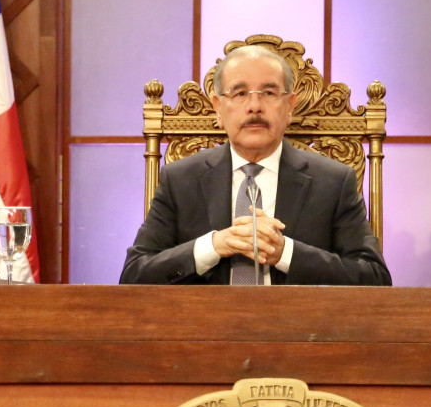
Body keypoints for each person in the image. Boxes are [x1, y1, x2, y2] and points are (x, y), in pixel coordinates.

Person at [120, 45, 390, 286]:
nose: (254, 106)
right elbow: (134, 275)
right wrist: (213, 246)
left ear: (290, 106)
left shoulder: (333, 181)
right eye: (240, 93)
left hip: (299, 326)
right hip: (205, 325)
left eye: (269, 92)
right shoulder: (180, 180)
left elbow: (374, 278)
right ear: (218, 107)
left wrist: (284, 252)